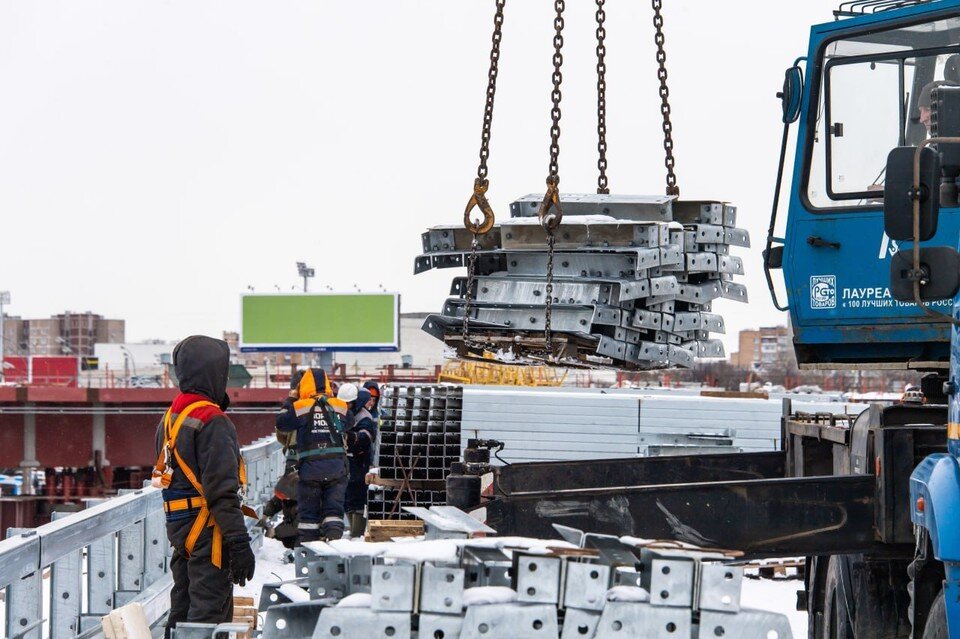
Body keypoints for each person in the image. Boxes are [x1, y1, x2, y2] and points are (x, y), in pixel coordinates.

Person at [154, 335, 256, 637]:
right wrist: (238, 542)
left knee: (183, 608)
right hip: (207, 532)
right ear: (214, 373)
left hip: (180, 528)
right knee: (208, 616)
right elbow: (222, 492)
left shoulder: (171, 418)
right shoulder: (213, 421)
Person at [276, 368, 350, 542]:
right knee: (333, 512)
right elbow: (349, 423)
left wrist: (291, 399)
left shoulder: (301, 406)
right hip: (336, 468)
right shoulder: (338, 404)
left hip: (310, 469)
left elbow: (282, 422)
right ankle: (333, 545)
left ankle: (309, 551)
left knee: (309, 516)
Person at [344, 383, 379, 537]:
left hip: (359, 464)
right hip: (347, 464)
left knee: (357, 499)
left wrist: (348, 438)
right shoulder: (347, 414)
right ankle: (353, 531)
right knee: (347, 499)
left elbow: (364, 439)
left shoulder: (364, 418)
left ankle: (356, 533)